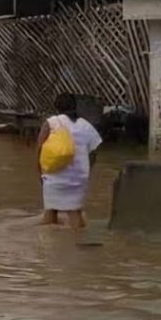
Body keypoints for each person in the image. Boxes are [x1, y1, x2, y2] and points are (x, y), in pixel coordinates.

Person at [37, 93, 103, 229]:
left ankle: (48, 241)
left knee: (50, 212)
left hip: (54, 176)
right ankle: (78, 239)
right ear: (75, 106)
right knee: (75, 213)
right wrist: (86, 171)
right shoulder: (86, 125)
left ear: (57, 107)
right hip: (78, 177)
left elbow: (39, 150)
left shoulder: (51, 123)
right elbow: (94, 153)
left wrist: (40, 173)